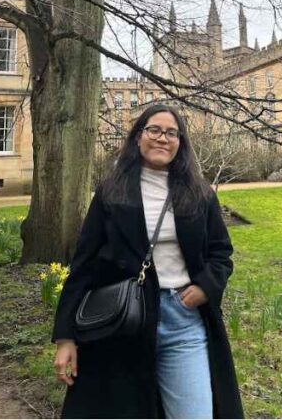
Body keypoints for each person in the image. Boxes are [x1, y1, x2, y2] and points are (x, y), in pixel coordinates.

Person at [52, 104, 243, 419]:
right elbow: (83, 264)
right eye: (154, 130)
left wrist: (205, 287)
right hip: (125, 320)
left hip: (183, 318)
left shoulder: (199, 192)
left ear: (180, 142)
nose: (162, 138)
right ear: (139, 137)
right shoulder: (112, 191)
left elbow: (221, 251)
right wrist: (65, 336)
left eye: (171, 133)